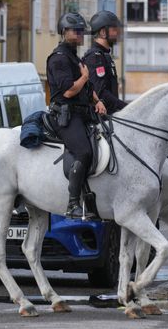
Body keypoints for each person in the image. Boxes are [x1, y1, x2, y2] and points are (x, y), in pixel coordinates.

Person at [46, 12, 107, 219]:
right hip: (65, 116)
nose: (81, 34)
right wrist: (84, 76)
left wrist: (97, 101)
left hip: (82, 114)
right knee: (84, 152)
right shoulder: (58, 59)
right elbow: (69, 91)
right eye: (76, 31)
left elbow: (87, 88)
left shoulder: (74, 56)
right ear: (64, 32)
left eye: (82, 31)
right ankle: (73, 203)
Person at [83, 10, 128, 113]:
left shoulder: (105, 55)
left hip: (111, 116)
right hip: (101, 118)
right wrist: (126, 108)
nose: (118, 33)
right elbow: (101, 92)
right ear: (103, 32)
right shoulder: (94, 57)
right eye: (114, 30)